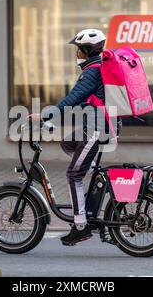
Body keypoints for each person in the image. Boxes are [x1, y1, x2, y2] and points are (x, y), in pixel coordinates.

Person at [36, 29, 115, 246]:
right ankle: (88, 171)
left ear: (88, 50)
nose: (76, 53)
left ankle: (81, 226)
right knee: (68, 142)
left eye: (79, 49)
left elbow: (73, 98)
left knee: (73, 174)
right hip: (96, 125)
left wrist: (46, 114)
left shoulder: (92, 71)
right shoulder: (97, 68)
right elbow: (85, 101)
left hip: (96, 128)